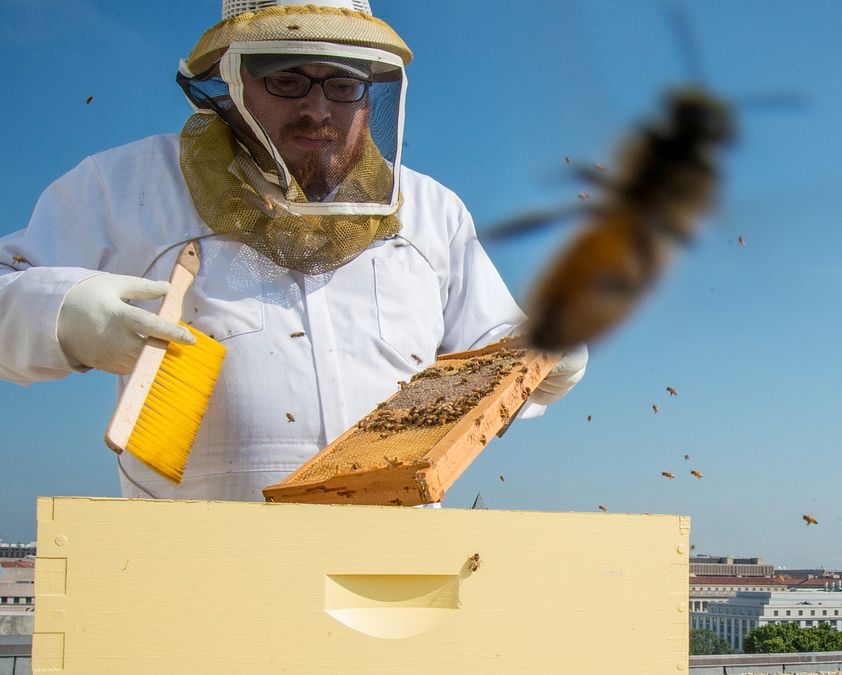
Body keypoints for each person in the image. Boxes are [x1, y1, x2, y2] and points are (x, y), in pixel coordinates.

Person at [0, 0, 586, 501]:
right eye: (286, 79)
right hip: (195, 563)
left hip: (396, 557)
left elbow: (484, 350)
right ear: (233, 82)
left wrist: (538, 358)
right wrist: (63, 312)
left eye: (342, 83)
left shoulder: (431, 210)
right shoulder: (128, 185)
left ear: (369, 94)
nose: (317, 107)